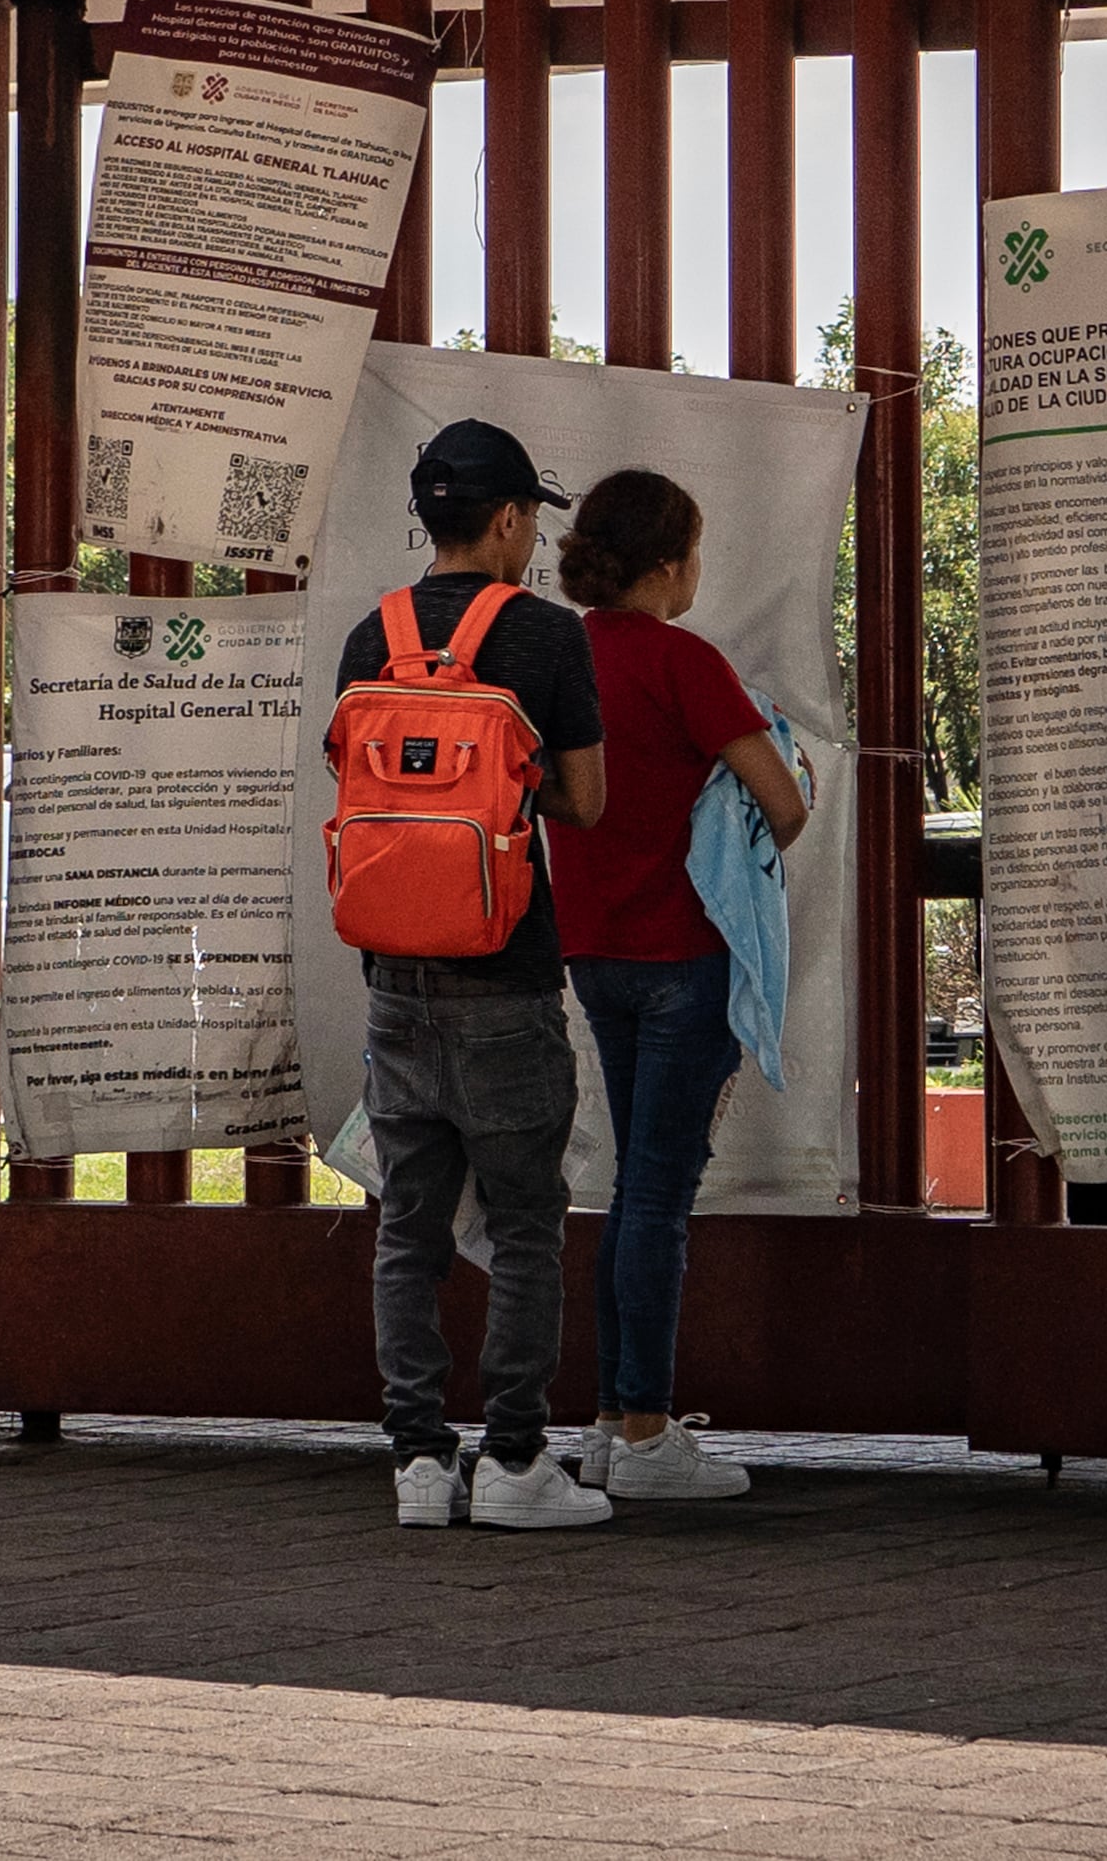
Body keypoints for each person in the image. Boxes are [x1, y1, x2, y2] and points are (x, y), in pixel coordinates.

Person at [341, 418, 612, 1535]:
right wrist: (510, 787)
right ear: (505, 520)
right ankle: (511, 1462)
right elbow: (586, 802)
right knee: (524, 1222)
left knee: (407, 1227)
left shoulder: (374, 634)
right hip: (504, 975)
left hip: (394, 981)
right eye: (531, 519)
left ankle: (416, 1462)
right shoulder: (544, 637)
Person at [549, 467, 804, 1502]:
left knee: (627, 1191)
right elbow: (780, 801)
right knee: (657, 1197)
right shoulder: (681, 662)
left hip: (593, 955)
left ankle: (611, 1422)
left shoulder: (561, 654)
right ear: (665, 565)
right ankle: (649, 1434)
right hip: (681, 961)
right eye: (693, 552)